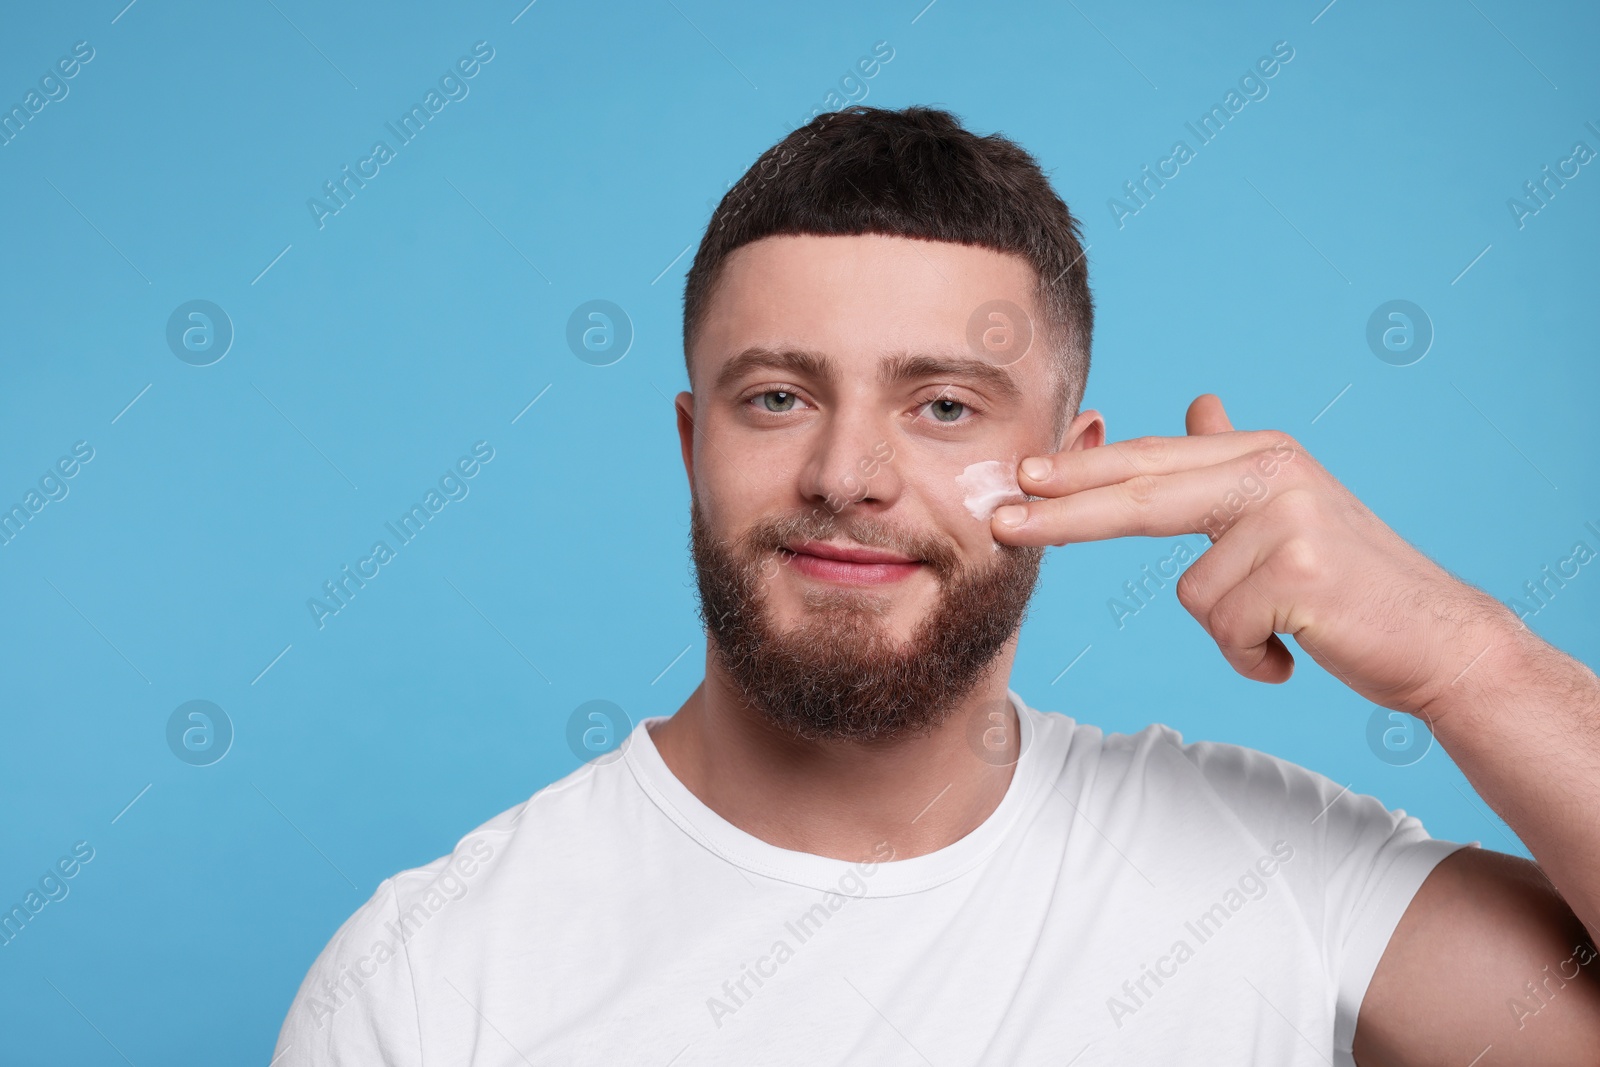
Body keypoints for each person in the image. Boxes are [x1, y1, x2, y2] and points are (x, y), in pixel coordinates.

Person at [273, 106, 1600, 1065]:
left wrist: (1471, 666)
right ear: (695, 447)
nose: (850, 474)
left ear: (1076, 471)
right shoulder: (429, 981)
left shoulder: (1282, 881)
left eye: (946, 405)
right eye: (779, 396)